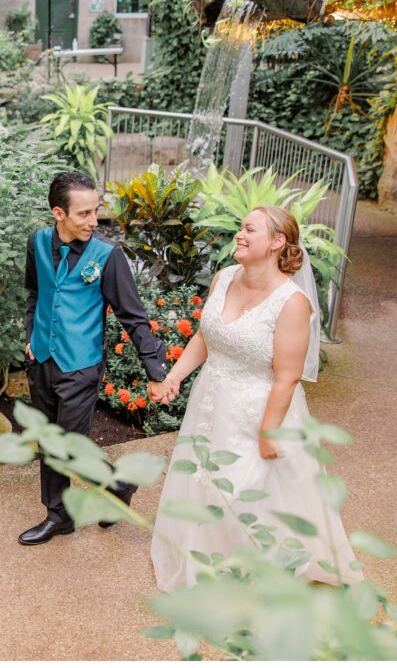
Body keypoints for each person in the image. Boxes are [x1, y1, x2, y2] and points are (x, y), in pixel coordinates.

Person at [150, 205, 362, 590]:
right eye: (240, 228)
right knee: (207, 483)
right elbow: (206, 336)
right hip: (212, 400)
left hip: (260, 409)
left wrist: (269, 431)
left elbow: (288, 376)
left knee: (247, 492)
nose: (240, 235)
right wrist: (175, 377)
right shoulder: (224, 278)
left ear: (276, 243)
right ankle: (211, 562)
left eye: (250, 229)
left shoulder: (291, 302)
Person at [20, 171, 170, 546]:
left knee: (71, 445)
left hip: (80, 365)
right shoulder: (37, 243)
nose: (93, 221)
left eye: (96, 211)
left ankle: (118, 485)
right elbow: (34, 293)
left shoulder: (108, 256)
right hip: (41, 360)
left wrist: (155, 372)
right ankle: (59, 516)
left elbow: (133, 317)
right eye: (83, 214)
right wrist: (30, 336)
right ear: (58, 213)